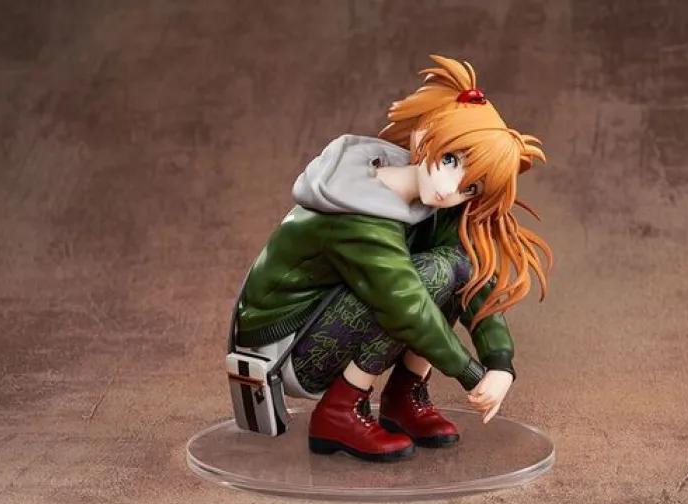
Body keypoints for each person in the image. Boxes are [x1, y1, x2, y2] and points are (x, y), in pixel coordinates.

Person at [235, 55, 552, 462]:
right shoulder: (359, 210)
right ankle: (340, 409)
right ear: (423, 134)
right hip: (291, 349)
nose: (450, 188)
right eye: (450, 160)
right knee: (423, 282)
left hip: (330, 319)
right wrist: (472, 375)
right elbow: (405, 304)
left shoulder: (435, 201)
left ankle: (405, 396)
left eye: (469, 187)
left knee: (457, 263)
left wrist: (500, 361)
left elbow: (472, 273)